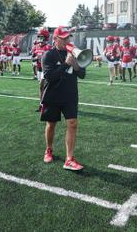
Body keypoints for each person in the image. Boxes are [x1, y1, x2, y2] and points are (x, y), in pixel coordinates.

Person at [41, 26, 86, 171]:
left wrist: (76, 66)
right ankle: (49, 149)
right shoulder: (48, 55)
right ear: (55, 39)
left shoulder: (73, 52)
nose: (67, 40)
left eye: (68, 37)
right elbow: (50, 77)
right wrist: (66, 64)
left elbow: (82, 74)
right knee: (51, 124)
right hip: (53, 95)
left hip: (70, 95)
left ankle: (69, 159)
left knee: (72, 124)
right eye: (64, 38)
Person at [34, 28, 52, 112]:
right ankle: (41, 103)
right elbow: (33, 56)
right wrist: (34, 58)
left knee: (43, 86)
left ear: (45, 38)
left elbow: (51, 58)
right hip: (39, 69)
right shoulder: (36, 46)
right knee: (41, 88)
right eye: (39, 37)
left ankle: (44, 104)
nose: (40, 38)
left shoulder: (48, 47)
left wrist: (43, 58)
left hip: (45, 69)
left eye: (42, 37)